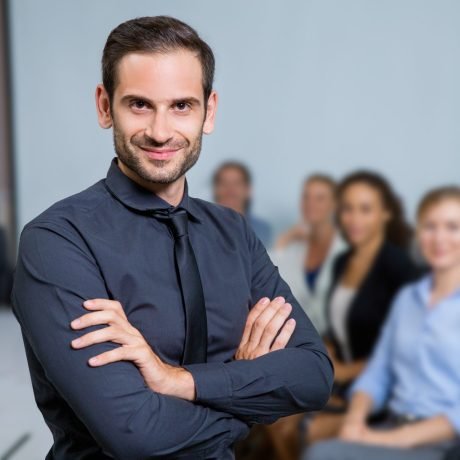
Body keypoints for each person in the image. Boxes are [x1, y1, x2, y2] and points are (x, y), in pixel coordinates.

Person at [11, 16, 333, 460]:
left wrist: (178, 381)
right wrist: (249, 401)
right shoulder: (58, 241)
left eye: (181, 105)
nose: (160, 131)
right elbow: (135, 433)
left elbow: (314, 376)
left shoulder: (233, 233)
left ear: (209, 110)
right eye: (139, 104)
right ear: (105, 107)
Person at [267, 171, 419, 460]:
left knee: (303, 432)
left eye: (365, 209)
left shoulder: (399, 269)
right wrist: (322, 357)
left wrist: (341, 373)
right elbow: (337, 331)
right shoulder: (341, 263)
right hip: (339, 377)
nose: (354, 219)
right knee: (273, 420)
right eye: (348, 209)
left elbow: (404, 352)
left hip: (382, 389)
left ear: (385, 213)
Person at [306, 185, 460, 460]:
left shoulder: (396, 268)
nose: (439, 238)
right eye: (430, 227)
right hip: (392, 423)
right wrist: (355, 420)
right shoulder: (407, 300)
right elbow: (379, 371)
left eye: (452, 227)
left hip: (444, 442)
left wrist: (392, 440)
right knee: (318, 451)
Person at [271, 174, 347, 336]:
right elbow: (271, 285)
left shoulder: (345, 249)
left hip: (337, 343)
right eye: (306, 197)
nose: (310, 204)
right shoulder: (295, 250)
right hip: (297, 341)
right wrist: (283, 241)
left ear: (334, 204)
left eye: (319, 198)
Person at [213, 161, 272, 247]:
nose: (230, 190)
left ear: (248, 190)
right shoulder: (200, 229)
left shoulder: (263, 231)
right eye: (224, 183)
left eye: (237, 184)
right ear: (215, 190)